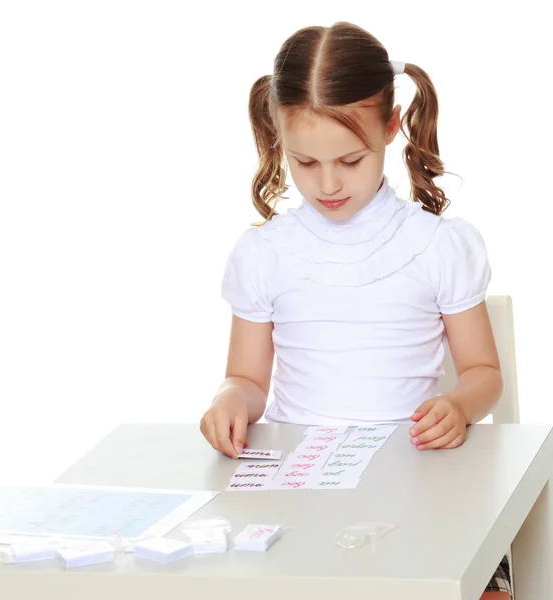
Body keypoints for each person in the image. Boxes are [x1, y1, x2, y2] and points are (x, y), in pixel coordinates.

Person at [199, 21, 511, 599]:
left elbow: (484, 375)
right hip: (303, 489)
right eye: (305, 163)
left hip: (417, 480)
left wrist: (459, 407)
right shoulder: (265, 253)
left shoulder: (438, 245)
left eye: (350, 159)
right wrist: (227, 400)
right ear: (279, 138)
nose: (328, 183)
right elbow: (248, 380)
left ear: (392, 127)